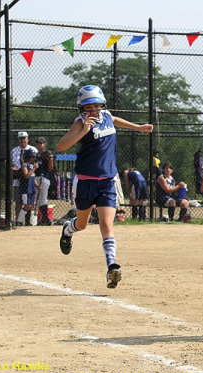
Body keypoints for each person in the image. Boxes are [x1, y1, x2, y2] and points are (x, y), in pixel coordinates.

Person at [57, 85, 153, 289]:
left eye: (96, 106)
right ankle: (68, 230)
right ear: (81, 109)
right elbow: (61, 146)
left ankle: (112, 268)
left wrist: (138, 127)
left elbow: (115, 120)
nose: (93, 110)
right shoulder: (80, 123)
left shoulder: (107, 115)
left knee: (106, 224)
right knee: (82, 224)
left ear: (102, 105)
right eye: (88, 107)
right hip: (85, 181)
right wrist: (83, 131)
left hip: (108, 181)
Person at [11, 131, 38, 219]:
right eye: (21, 138)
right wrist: (12, 168)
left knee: (29, 201)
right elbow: (10, 163)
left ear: (27, 139)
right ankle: (18, 219)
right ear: (18, 139)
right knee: (18, 200)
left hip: (28, 179)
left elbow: (37, 163)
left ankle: (26, 220)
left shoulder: (33, 149)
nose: (23, 140)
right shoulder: (14, 150)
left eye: (24, 138)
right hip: (17, 177)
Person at [34, 137, 54, 225]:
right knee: (37, 199)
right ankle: (41, 219)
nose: (39, 145)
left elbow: (50, 169)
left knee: (43, 198)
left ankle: (45, 218)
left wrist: (50, 159)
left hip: (45, 177)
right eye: (38, 143)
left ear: (44, 144)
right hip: (36, 177)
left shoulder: (47, 154)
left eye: (41, 143)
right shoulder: (35, 155)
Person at [16, 148, 38, 226]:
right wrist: (34, 168)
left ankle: (27, 222)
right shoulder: (25, 165)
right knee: (26, 206)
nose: (33, 159)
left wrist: (37, 185)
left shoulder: (32, 166)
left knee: (30, 206)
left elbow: (33, 177)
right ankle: (19, 221)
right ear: (28, 157)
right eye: (32, 157)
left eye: (34, 157)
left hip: (31, 189)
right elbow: (27, 175)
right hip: (26, 189)